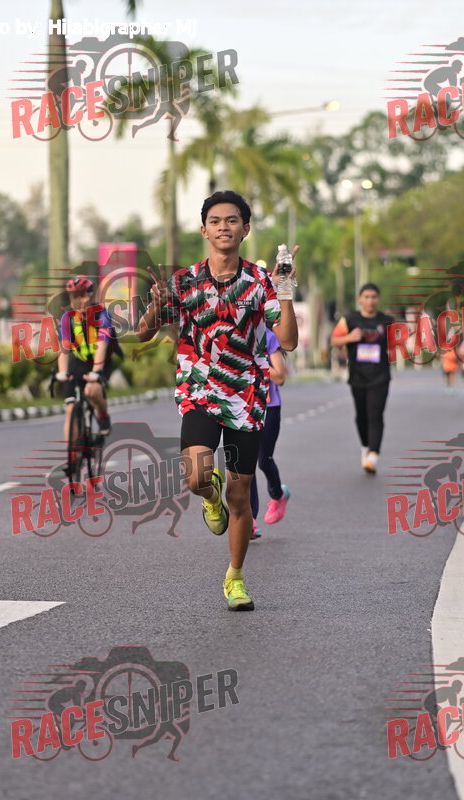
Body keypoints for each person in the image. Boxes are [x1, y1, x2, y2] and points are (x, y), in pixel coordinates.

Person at [136, 190, 299, 611]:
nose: (223, 226)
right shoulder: (185, 282)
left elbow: (288, 341)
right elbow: (143, 333)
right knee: (197, 479)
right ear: (203, 229)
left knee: (241, 498)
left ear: (245, 229)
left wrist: (284, 290)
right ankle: (211, 497)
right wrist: (155, 307)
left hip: (246, 396)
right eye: (215, 220)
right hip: (200, 391)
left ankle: (235, 578)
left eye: (232, 220)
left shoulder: (260, 282)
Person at [330, 283, 394, 474]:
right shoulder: (350, 319)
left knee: (375, 414)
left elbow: (398, 342)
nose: (370, 301)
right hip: (358, 376)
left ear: (378, 299)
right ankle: (366, 447)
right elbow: (334, 340)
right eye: (366, 297)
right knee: (361, 417)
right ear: (360, 299)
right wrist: (349, 338)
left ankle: (373, 455)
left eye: (373, 297)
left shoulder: (387, 321)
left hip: (380, 376)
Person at [56, 276, 113, 444]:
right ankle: (73, 455)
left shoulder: (102, 314)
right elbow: (64, 350)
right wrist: (62, 372)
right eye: (74, 296)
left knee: (91, 391)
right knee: (70, 409)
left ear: (91, 295)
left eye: (82, 295)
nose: (78, 300)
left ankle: (103, 415)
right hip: (77, 362)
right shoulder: (67, 318)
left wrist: (96, 372)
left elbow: (102, 346)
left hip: (99, 361)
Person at [249, 327, 290, 539]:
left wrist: (253, 361)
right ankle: (249, 521)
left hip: (268, 408)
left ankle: (278, 494)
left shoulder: (269, 337)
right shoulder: (230, 332)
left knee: (264, 460)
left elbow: (280, 377)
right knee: (245, 465)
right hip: (242, 407)